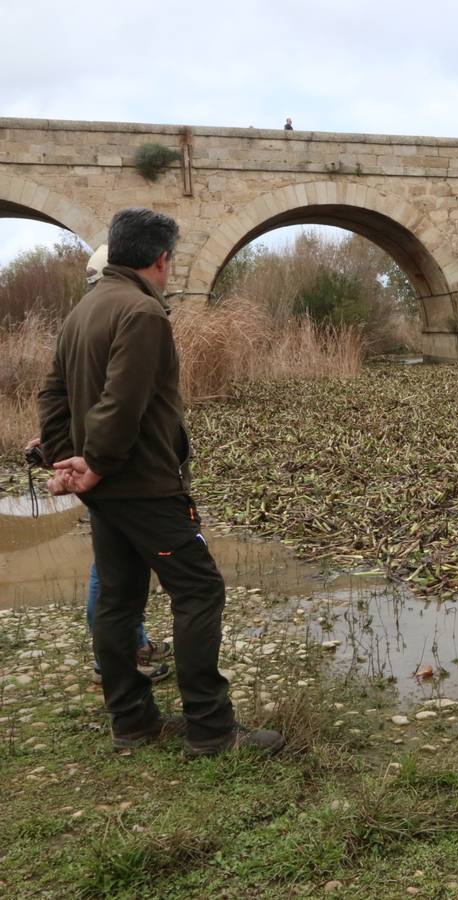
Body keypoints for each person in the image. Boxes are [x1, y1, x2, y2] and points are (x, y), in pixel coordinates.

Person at [37, 208, 282, 756]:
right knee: (198, 590)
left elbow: (52, 393)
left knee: (118, 599)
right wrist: (95, 462)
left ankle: (132, 722)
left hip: (106, 489)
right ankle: (211, 730)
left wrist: (64, 459)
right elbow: (123, 402)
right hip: (145, 485)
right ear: (162, 258)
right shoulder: (142, 312)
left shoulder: (84, 309)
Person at [25, 245, 170, 683]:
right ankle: (116, 659)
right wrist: (82, 459)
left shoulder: (87, 319)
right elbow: (113, 402)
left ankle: (131, 645)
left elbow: (62, 394)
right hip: (114, 467)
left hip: (102, 460)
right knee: (111, 574)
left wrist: (58, 449)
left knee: (117, 567)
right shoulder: (129, 317)